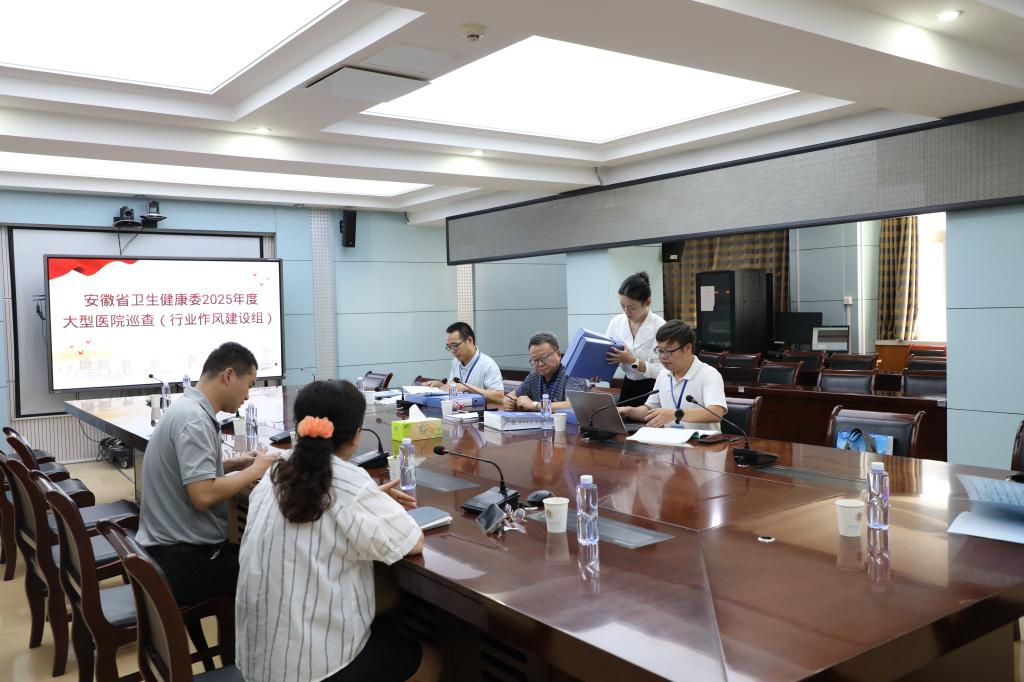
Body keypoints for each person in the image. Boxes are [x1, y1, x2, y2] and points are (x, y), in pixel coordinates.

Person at [236, 380, 440, 682]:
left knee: (383, 595)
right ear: (356, 436)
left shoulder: (276, 472)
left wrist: (369, 498)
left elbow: (324, 506)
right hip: (312, 670)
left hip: (258, 663)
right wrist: (375, 501)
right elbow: (413, 540)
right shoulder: (349, 482)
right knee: (431, 660)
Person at [137, 342, 279, 606]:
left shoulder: (186, 408)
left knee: (257, 555)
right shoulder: (195, 420)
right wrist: (257, 469)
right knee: (272, 571)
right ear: (228, 376)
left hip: (163, 551)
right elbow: (203, 495)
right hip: (182, 561)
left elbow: (188, 472)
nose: (248, 396)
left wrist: (236, 464)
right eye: (249, 385)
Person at [618, 320, 727, 429]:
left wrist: (676, 414)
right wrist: (628, 411)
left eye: (668, 351)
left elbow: (716, 412)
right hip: (670, 438)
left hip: (702, 439)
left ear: (688, 348)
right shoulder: (663, 374)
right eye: (660, 351)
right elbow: (650, 410)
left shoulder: (709, 374)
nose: (663, 356)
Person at [604, 272, 666, 404]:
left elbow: (665, 370)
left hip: (654, 387)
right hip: (628, 384)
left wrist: (633, 361)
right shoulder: (616, 322)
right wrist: (599, 371)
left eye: (632, 308)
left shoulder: (660, 327)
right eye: (623, 306)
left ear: (648, 302)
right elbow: (607, 353)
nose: (626, 312)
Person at [503, 332, 587, 412]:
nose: (540, 364)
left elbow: (573, 405)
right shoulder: (533, 377)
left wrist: (534, 405)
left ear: (558, 355)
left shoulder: (573, 373)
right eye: (535, 360)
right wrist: (508, 401)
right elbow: (512, 395)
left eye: (544, 358)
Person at [425, 321, 505, 404]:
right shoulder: (456, 361)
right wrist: (441, 386)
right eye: (449, 347)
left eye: (455, 345)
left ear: (470, 340)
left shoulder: (488, 364)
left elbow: (499, 397)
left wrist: (467, 387)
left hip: (480, 411)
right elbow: (453, 387)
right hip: (458, 409)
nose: (452, 351)